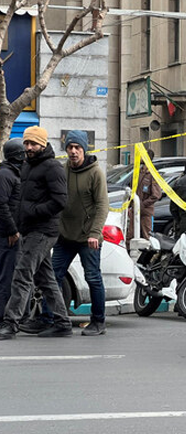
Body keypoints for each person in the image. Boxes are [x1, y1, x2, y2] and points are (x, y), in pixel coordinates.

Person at [23, 130, 110, 336]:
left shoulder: (95, 173)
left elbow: (102, 205)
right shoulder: (63, 170)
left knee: (93, 278)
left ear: (84, 149)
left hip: (88, 237)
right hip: (64, 236)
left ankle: (99, 321)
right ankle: (47, 318)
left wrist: (94, 233)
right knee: (51, 277)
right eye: (70, 147)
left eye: (77, 148)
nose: (73, 152)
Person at [0, 126, 72, 340]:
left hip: (43, 231)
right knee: (46, 279)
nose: (29, 147)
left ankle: (10, 323)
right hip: (30, 230)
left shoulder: (52, 168)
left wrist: (33, 212)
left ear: (43, 144)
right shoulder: (27, 167)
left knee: (21, 275)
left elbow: (60, 201)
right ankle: (63, 322)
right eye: (27, 143)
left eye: (33, 144)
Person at [0, 139, 25, 321]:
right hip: (6, 236)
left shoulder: (11, 173)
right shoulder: (7, 175)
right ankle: (3, 317)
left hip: (8, 233)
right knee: (6, 278)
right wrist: (12, 230)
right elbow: (2, 205)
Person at [136, 148, 162, 239]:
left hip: (145, 211)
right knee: (131, 236)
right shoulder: (138, 172)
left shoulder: (152, 174)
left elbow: (156, 195)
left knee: (147, 236)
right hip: (135, 211)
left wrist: (143, 204)